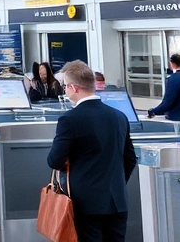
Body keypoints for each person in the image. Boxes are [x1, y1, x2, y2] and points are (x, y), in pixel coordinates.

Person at [48, 60, 137, 242]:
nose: (64, 90)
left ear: (74, 87)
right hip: (117, 200)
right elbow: (130, 158)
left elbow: (55, 161)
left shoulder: (69, 119)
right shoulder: (119, 116)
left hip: (85, 202)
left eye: (65, 86)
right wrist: (116, 183)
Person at [149, 54, 180, 121]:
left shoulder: (174, 79)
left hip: (177, 116)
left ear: (172, 64)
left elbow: (167, 103)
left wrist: (153, 111)